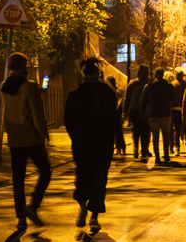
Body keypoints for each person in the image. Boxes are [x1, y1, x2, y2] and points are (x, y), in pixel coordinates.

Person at [65, 58, 121, 231]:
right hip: (102, 143)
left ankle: (82, 205)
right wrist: (117, 139)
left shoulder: (74, 95)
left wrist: (75, 137)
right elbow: (114, 118)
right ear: (98, 74)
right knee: (99, 179)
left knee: (82, 175)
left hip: (82, 143)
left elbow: (68, 120)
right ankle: (94, 216)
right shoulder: (106, 93)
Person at [0, 52, 51, 231]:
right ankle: (33, 206)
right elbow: (37, 115)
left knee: (18, 179)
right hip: (31, 139)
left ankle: (21, 217)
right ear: (25, 67)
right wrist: (43, 136)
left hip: (14, 139)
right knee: (45, 172)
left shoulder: (4, 87)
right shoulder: (30, 88)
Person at [140, 68, 175, 164]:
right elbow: (172, 97)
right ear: (163, 74)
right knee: (165, 135)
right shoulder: (168, 86)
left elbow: (143, 100)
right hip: (165, 113)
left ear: (154, 74)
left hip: (152, 113)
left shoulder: (149, 86)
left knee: (155, 136)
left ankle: (157, 156)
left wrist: (143, 113)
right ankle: (166, 155)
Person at [124, 65, 151, 160]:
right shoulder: (149, 83)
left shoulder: (132, 83)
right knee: (145, 131)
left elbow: (127, 98)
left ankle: (136, 147)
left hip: (134, 110)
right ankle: (144, 150)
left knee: (136, 130)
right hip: (146, 111)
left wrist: (125, 111)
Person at [107, 75, 127, 157]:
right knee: (116, 132)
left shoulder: (118, 92)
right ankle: (119, 147)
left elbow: (119, 104)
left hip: (116, 114)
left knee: (117, 131)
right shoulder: (108, 92)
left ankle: (120, 147)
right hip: (111, 114)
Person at [171, 69, 186, 156]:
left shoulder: (173, 84)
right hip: (184, 109)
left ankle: (177, 148)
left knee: (176, 129)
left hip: (174, 109)